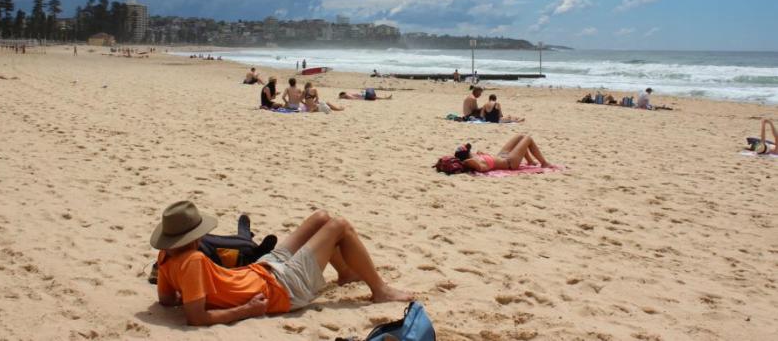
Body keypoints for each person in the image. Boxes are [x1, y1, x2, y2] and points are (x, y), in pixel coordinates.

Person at [152, 201, 413, 326]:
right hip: (282, 288)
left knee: (321, 218)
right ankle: (380, 290)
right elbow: (196, 317)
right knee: (340, 226)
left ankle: (345, 273)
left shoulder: (165, 258)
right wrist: (246, 310)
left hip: (262, 270)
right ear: (196, 235)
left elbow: (166, 299)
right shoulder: (194, 261)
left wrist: (197, 292)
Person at [454, 134, 551, 173]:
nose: (471, 150)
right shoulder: (477, 163)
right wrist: (466, 162)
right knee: (528, 139)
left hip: (502, 156)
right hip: (510, 162)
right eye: (468, 150)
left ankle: (530, 161)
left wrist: (482, 154)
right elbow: (480, 167)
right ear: (467, 154)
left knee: (520, 137)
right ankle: (544, 163)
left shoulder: (475, 156)